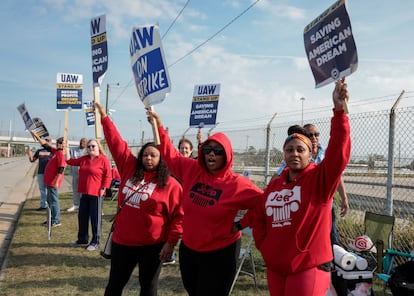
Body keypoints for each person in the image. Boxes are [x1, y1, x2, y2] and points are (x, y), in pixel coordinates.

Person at [248, 78, 351, 296]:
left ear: (310, 153)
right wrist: (263, 245)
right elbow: (259, 214)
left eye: (300, 150)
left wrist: (339, 113)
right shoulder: (275, 184)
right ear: (284, 154)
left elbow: (338, 154)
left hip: (308, 266)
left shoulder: (319, 179)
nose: (294, 153)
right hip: (276, 267)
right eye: (290, 149)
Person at [146, 109, 263, 296]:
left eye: (217, 151)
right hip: (190, 249)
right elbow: (169, 154)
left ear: (226, 155)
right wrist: (158, 125)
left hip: (221, 253)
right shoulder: (192, 169)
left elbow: (265, 203)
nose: (211, 154)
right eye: (207, 149)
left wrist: (242, 223)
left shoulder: (237, 184)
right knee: (193, 290)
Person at [95, 102, 184, 296]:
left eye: (153, 155)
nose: (148, 159)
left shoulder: (170, 185)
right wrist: (104, 117)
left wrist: (170, 243)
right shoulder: (129, 170)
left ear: (161, 159)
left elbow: (179, 217)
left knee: (148, 286)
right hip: (123, 242)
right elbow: (116, 143)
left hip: (153, 246)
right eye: (145, 155)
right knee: (114, 285)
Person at [303, 123, 349, 245]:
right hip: (307, 204)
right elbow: (281, 173)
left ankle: (334, 261)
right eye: (309, 135)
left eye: (316, 134)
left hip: (327, 203)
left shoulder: (326, 154)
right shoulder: (299, 153)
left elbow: (337, 177)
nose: (314, 137)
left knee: (332, 235)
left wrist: (344, 198)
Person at [66, 138, 112, 251]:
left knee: (95, 218)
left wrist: (103, 188)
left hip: (96, 194)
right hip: (84, 193)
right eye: (89, 146)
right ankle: (82, 239)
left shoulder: (104, 160)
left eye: (93, 146)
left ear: (98, 147)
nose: (91, 148)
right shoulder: (84, 159)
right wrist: (66, 148)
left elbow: (108, 175)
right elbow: (69, 161)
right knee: (82, 216)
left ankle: (95, 241)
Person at [31, 132, 66, 227]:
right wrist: (37, 136)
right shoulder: (56, 152)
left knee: (54, 201)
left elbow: (61, 169)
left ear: (64, 145)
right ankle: (51, 219)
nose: (58, 144)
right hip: (49, 181)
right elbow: (45, 145)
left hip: (53, 182)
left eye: (60, 142)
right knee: (50, 201)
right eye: (58, 142)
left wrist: (56, 182)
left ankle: (56, 220)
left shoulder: (61, 154)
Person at [27, 137, 51, 210]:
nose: (47, 142)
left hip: (49, 173)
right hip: (40, 173)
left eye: (48, 141)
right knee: (42, 190)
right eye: (45, 140)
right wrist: (30, 155)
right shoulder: (39, 151)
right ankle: (43, 205)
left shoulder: (52, 151)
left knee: (48, 190)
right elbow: (32, 160)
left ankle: (48, 205)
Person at [67, 138, 87, 212]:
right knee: (75, 190)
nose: (82, 143)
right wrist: (66, 146)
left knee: (83, 191)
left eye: (84, 142)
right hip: (75, 173)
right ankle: (76, 204)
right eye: (81, 141)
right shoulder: (73, 149)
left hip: (84, 174)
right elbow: (66, 152)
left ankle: (83, 205)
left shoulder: (87, 151)